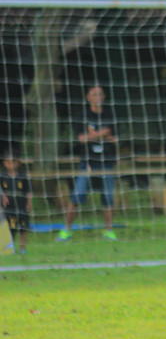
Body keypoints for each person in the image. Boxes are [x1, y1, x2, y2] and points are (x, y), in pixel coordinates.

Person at [59, 84, 118, 241]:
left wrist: (93, 134)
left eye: (100, 94)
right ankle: (66, 231)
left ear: (104, 97)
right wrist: (102, 134)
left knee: (108, 198)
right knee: (77, 195)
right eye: (94, 94)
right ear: (88, 97)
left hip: (106, 162)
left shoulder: (110, 115)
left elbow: (115, 139)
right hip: (88, 162)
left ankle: (109, 231)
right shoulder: (82, 116)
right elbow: (81, 138)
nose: (97, 97)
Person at [1, 150, 31, 254]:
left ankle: (23, 249)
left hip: (21, 205)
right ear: (5, 163)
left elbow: (28, 191)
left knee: (23, 228)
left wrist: (29, 203)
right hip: (10, 207)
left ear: (18, 163)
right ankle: (11, 247)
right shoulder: (2, 176)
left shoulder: (23, 176)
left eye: (14, 162)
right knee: (11, 228)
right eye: (9, 162)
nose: (11, 165)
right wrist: (3, 197)